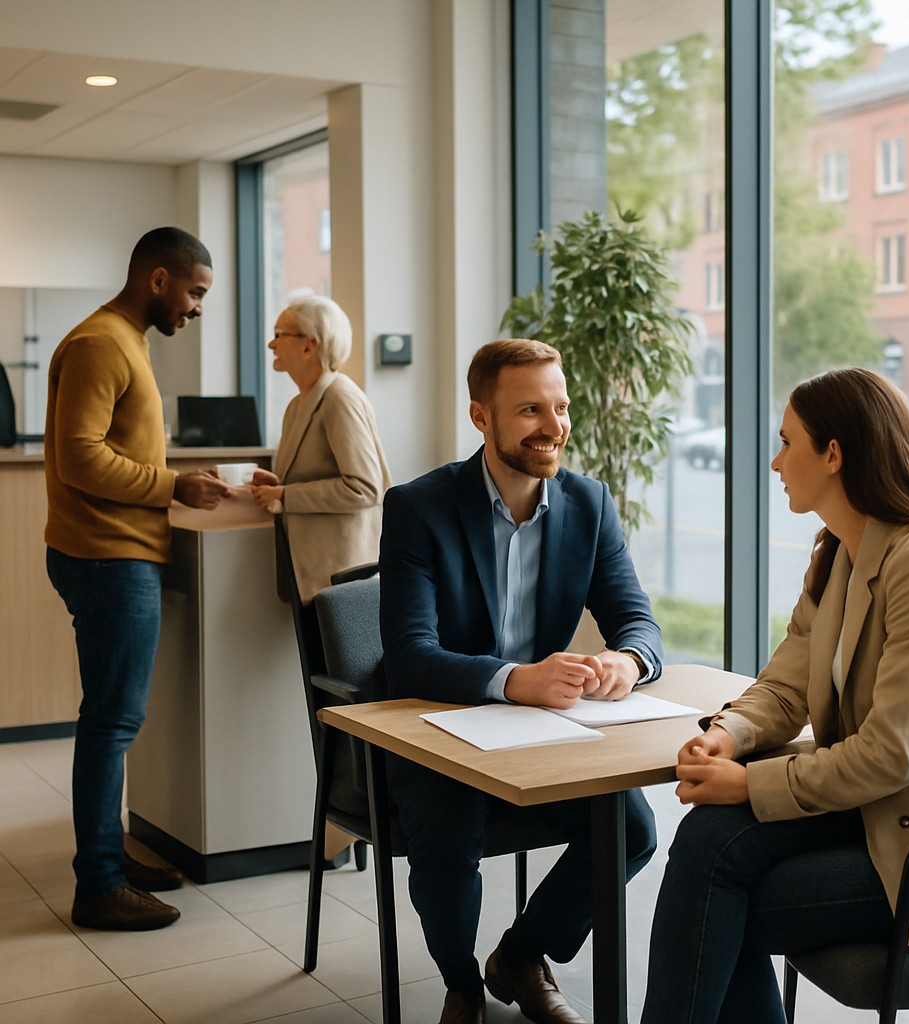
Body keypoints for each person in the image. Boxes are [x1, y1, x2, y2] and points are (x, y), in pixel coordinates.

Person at [640, 368, 909, 1024]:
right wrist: (728, 734)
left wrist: (746, 785)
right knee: (709, 841)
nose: (774, 460)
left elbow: (891, 755)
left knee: (721, 899)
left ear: (834, 454)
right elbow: (785, 685)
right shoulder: (841, 551)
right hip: (879, 816)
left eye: (788, 442)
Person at [379, 338, 662, 1024]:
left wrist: (625, 662)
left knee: (631, 828)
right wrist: (515, 681)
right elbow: (409, 654)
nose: (554, 425)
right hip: (434, 730)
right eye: (531, 409)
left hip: (537, 736)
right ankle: (462, 984)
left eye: (560, 407)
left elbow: (639, 624)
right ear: (481, 417)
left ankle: (521, 954)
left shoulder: (589, 505)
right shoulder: (419, 507)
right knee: (448, 841)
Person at [45, 226, 232, 931]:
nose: (199, 307)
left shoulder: (126, 340)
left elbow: (112, 447)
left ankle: (110, 861)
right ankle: (97, 883)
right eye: (195, 291)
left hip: (116, 553)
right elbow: (80, 460)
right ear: (158, 279)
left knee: (115, 718)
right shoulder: (100, 343)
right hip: (106, 558)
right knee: (110, 723)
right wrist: (172, 487)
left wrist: (177, 482)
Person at [249, 293, 391, 603]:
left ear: (308, 345)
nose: (271, 345)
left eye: (278, 335)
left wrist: (286, 495)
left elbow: (364, 488)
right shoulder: (297, 405)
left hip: (342, 578)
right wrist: (278, 486)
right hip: (312, 573)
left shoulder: (340, 398)